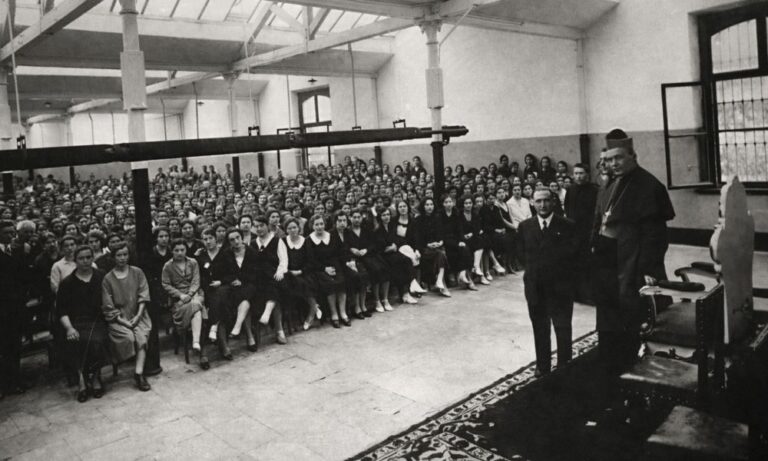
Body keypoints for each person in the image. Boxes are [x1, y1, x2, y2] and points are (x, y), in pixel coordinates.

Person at [590, 129, 675, 376]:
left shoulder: (649, 186)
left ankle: (630, 365)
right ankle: (608, 360)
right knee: (607, 312)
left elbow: (656, 235)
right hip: (608, 258)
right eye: (609, 159)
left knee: (630, 312)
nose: (613, 164)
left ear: (632, 155)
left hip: (632, 260)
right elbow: (600, 219)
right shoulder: (609, 184)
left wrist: (649, 267)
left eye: (619, 158)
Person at [517, 189, 578, 376]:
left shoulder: (567, 225)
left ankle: (564, 365)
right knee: (540, 328)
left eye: (546, 200)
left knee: (562, 326)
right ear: (532, 203)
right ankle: (542, 365)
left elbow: (574, 256)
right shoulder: (525, 226)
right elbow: (520, 254)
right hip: (535, 287)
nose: (542, 205)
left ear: (553, 202)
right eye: (538, 201)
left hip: (560, 287)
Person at [56, 246, 109, 402]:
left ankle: (96, 377)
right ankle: (81, 380)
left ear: (92, 258)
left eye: (88, 257)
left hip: (98, 320)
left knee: (97, 340)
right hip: (76, 322)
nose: (85, 261)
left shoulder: (101, 276)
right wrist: (69, 328)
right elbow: (61, 310)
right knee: (75, 341)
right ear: (75, 260)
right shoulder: (67, 283)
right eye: (81, 258)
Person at [102, 242, 153, 391]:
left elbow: (143, 295)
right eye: (119, 255)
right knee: (128, 338)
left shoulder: (137, 272)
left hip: (138, 313)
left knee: (141, 338)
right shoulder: (107, 279)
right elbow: (108, 306)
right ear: (113, 257)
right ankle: (123, 358)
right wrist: (122, 321)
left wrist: (138, 316)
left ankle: (139, 373)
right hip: (119, 317)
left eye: (125, 254)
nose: (122, 258)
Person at [162, 239, 208, 369]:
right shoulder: (167, 266)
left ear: (186, 250)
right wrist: (180, 295)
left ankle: (197, 344)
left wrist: (190, 294)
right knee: (199, 311)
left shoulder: (193, 262)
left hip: (195, 294)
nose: (180, 253)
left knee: (197, 303)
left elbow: (196, 281)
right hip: (179, 300)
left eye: (182, 250)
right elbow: (166, 284)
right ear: (172, 251)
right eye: (176, 250)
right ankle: (199, 348)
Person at [0, 220, 29, 398]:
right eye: (7, 233)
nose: (11, 236)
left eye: (13, 232)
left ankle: (14, 381)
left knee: (14, 346)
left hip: (15, 307)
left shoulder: (16, 251)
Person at [564, 163, 599, 304]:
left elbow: (597, 214)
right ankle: (576, 294)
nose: (578, 176)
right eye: (576, 173)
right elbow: (567, 210)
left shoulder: (595, 190)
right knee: (574, 264)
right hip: (573, 234)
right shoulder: (570, 190)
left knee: (588, 265)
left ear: (587, 175)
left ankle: (589, 295)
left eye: (581, 173)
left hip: (588, 233)